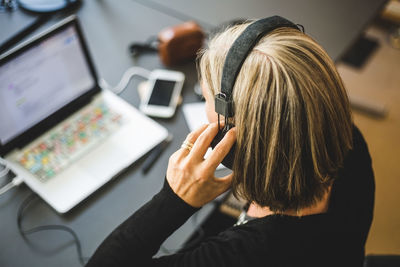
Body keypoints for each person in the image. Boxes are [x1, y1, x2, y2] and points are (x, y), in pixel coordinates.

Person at [86, 18, 374, 267]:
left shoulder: (244, 256)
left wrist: (173, 200)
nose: (206, 109)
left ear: (236, 132)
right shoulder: (348, 140)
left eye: (207, 98)